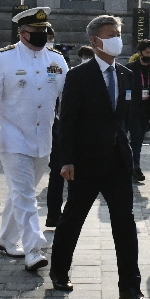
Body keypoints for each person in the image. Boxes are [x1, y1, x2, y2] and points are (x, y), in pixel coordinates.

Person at [48, 15, 150, 299]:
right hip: (85, 161)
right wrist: (66, 160)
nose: (118, 38)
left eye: (119, 33)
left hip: (118, 160)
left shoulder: (126, 74)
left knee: (125, 223)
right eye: (111, 34)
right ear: (95, 41)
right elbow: (66, 122)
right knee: (73, 218)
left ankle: (130, 287)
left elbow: (124, 118)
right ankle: (59, 270)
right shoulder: (79, 76)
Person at [0, 7, 68, 272]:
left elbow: (69, 95)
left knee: (21, 191)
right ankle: (33, 249)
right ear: (22, 33)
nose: (41, 36)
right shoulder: (4, 58)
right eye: (34, 32)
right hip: (12, 136)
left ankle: (7, 238)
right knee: (26, 194)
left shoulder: (56, 59)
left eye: (44, 31)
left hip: (43, 138)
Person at [45, 44, 93, 227]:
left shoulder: (75, 76)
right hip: (61, 130)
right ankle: (54, 215)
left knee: (66, 178)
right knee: (58, 175)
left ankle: (64, 216)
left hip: (68, 131)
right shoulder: (69, 76)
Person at [126, 39, 150, 183]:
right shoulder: (130, 69)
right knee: (134, 140)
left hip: (146, 109)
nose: (149, 55)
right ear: (140, 53)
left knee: (138, 140)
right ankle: (135, 167)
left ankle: (133, 166)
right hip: (131, 109)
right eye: (147, 52)